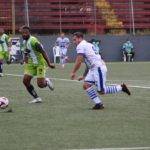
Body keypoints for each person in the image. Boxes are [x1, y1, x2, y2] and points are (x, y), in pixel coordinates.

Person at [70, 32, 131, 110]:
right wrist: (84, 76)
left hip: (98, 69)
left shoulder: (81, 46)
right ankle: (99, 104)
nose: (74, 42)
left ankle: (121, 87)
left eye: (75, 40)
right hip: (94, 68)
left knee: (101, 91)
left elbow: (79, 61)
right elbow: (89, 62)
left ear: (80, 38)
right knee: (86, 85)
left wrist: (73, 72)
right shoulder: (88, 44)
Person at [20, 25, 55, 103]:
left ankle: (46, 81)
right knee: (25, 81)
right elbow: (26, 51)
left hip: (40, 64)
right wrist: (24, 60)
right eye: (22, 33)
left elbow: (43, 52)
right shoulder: (24, 41)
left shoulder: (33, 41)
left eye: (25, 33)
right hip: (30, 64)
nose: (23, 35)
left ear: (28, 33)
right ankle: (37, 98)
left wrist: (49, 64)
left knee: (40, 85)